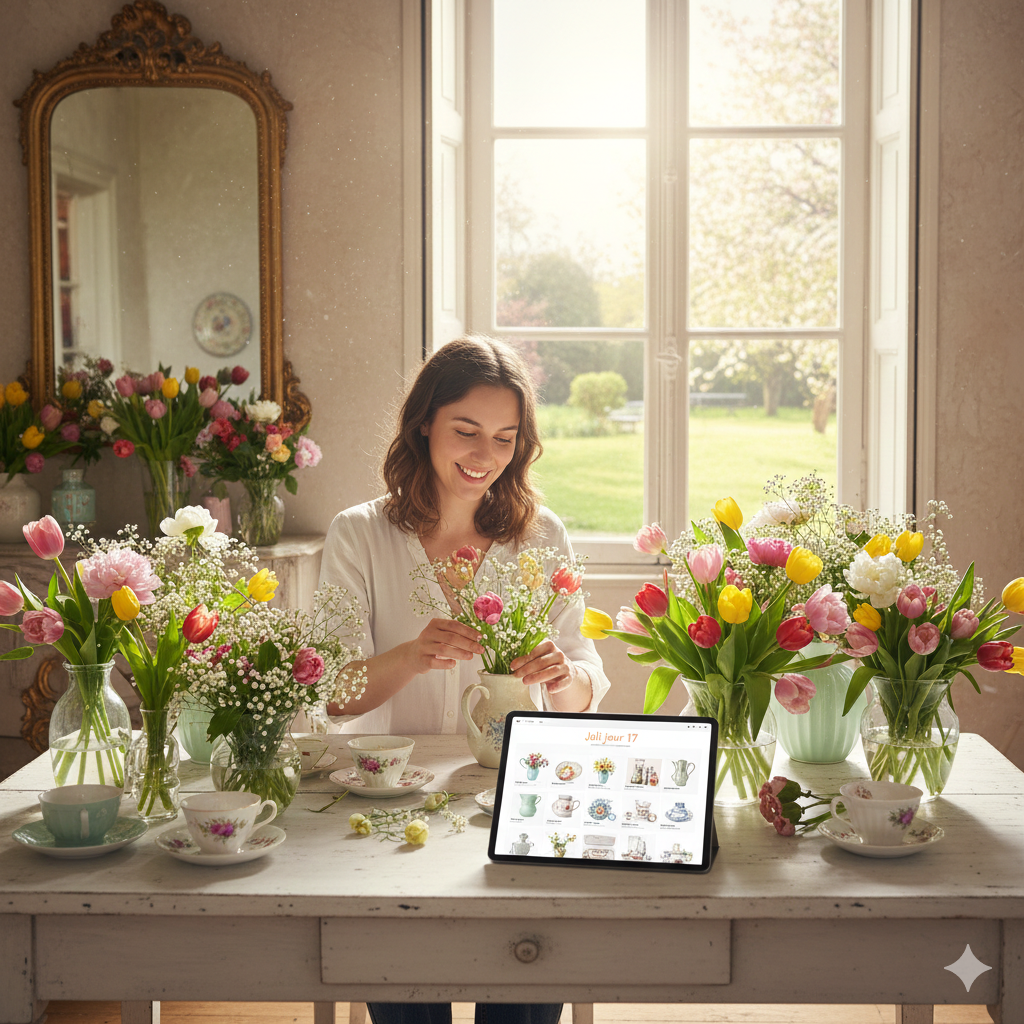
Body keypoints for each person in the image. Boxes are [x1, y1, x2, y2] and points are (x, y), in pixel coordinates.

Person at [318, 337, 611, 1024]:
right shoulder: (359, 534)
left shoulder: (541, 536)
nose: (485, 455)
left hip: (519, 798)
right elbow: (335, 692)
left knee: (526, 973)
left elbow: (585, 687)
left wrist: (562, 675)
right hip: (391, 803)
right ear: (425, 423)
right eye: (467, 431)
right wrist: (410, 655)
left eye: (505, 439)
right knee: (407, 985)